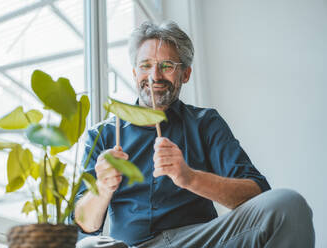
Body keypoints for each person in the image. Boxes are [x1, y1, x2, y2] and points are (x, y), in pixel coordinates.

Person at [72, 21, 315, 248]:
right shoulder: (103, 134)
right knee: (87, 245)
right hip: (128, 245)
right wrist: (103, 188)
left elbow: (257, 193)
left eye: (167, 66)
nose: (154, 76)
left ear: (185, 74)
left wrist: (188, 177)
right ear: (135, 73)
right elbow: (86, 225)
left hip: (199, 240)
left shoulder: (205, 123)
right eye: (145, 65)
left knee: (287, 204)